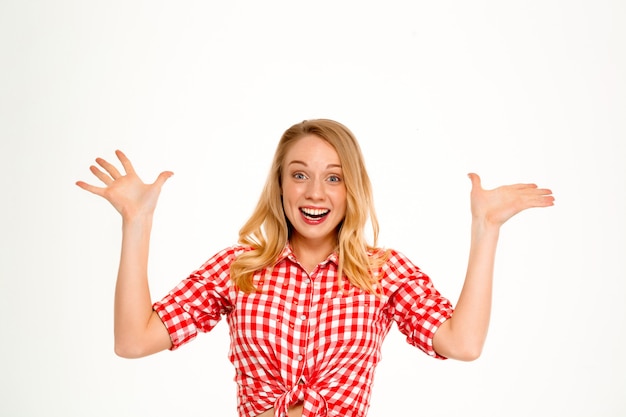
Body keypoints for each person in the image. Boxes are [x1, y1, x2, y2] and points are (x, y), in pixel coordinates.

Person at [76, 119, 554, 417]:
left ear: (352, 190)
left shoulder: (380, 272)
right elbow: (133, 341)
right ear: (279, 185)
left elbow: (462, 343)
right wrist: (137, 223)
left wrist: (485, 228)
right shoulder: (237, 268)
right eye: (299, 174)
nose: (314, 193)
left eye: (333, 178)